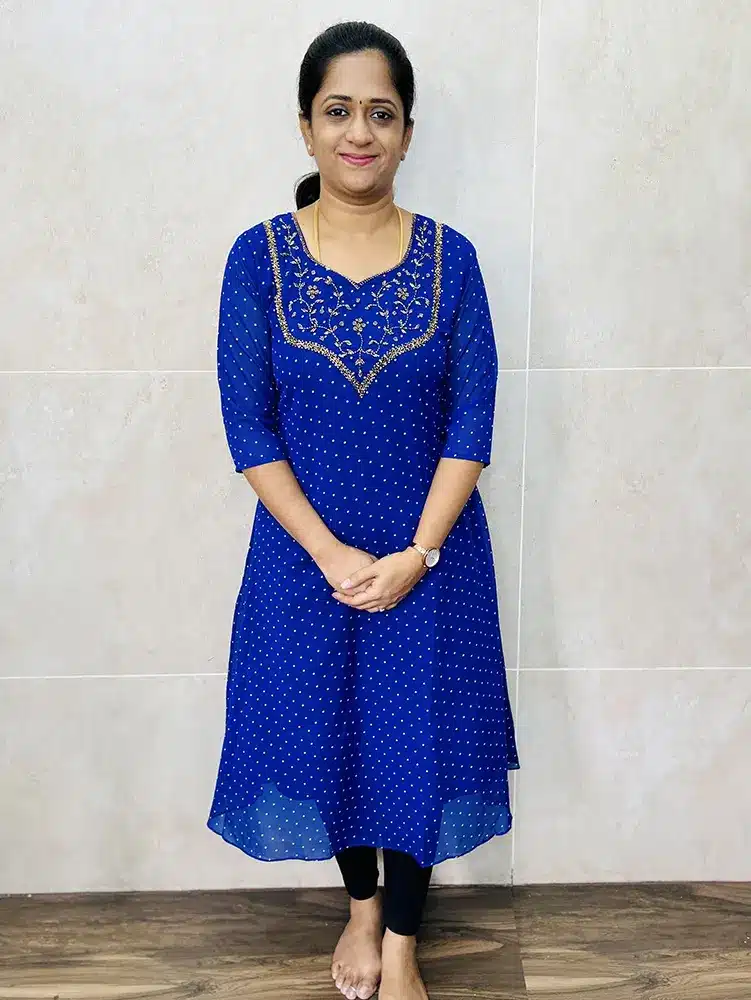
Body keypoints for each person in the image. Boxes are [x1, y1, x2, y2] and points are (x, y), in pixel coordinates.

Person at [207, 20, 520, 1000]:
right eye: (337, 111)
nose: (358, 132)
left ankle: (404, 944)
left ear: (407, 134)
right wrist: (331, 554)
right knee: (329, 730)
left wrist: (416, 553)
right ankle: (361, 906)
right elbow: (248, 426)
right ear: (305, 128)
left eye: (380, 114)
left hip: (432, 556)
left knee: (417, 738)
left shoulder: (452, 260)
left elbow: (471, 421)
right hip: (305, 558)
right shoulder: (257, 260)